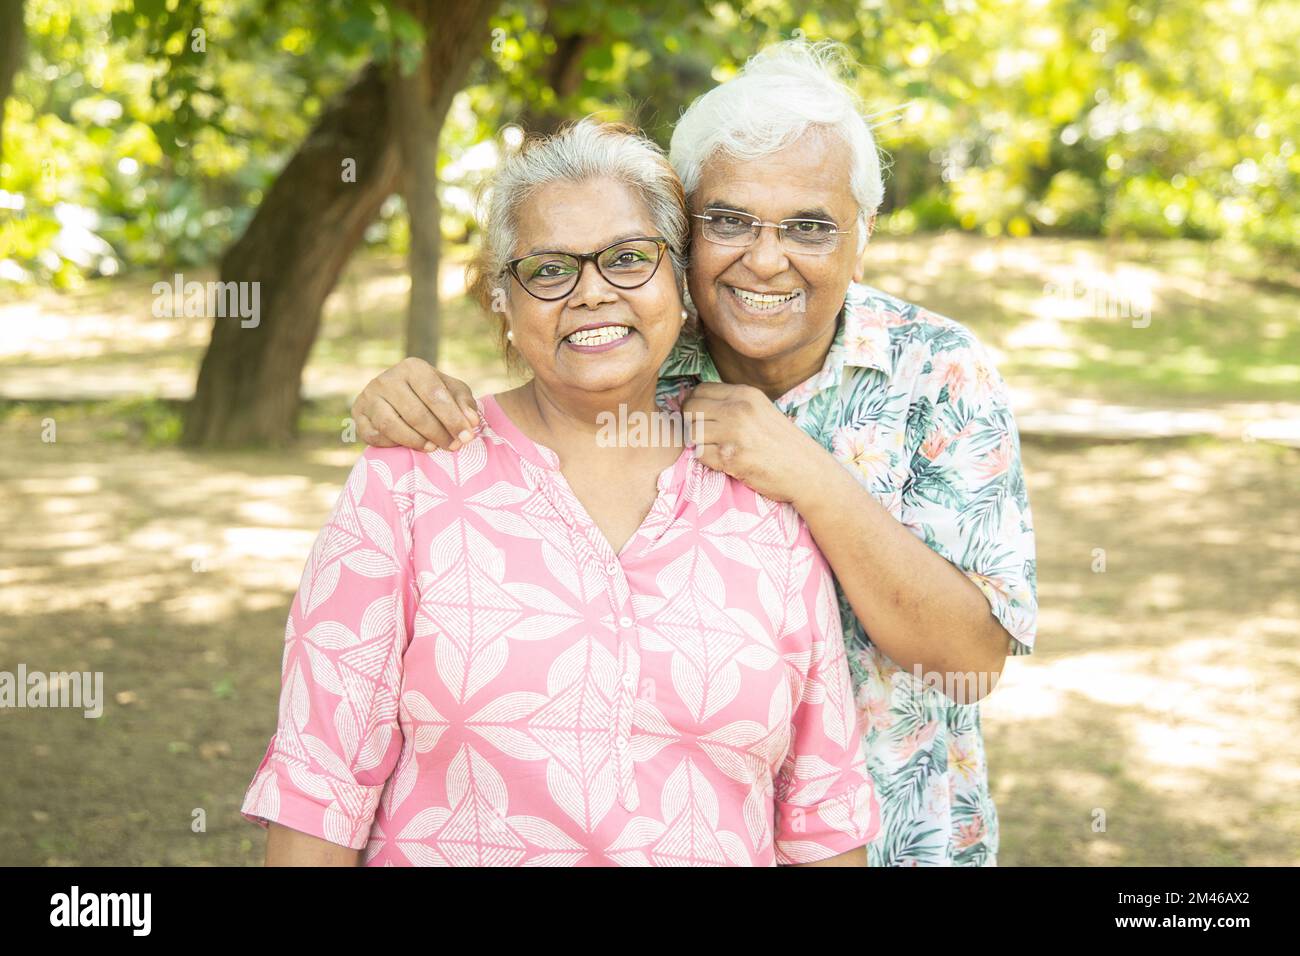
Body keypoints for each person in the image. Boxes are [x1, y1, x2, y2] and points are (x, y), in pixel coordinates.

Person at [350, 40, 1039, 866]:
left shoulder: (938, 372)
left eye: (810, 227)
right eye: (729, 220)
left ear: (862, 240)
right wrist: (407, 400)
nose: (765, 257)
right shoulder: (635, 357)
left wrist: (808, 477)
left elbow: (971, 657)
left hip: (903, 834)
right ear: (680, 237)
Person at [240, 118, 878, 866]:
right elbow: (320, 784)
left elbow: (821, 815)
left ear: (679, 283)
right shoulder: (410, 480)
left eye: (629, 259)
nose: (591, 293)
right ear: (504, 302)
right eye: (548, 270)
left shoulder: (763, 497)